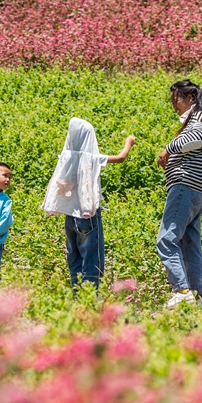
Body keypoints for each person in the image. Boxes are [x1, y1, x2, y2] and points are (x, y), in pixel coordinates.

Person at [42, 118, 135, 289]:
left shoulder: (65, 156)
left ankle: (77, 293)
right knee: (91, 257)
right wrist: (129, 142)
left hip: (70, 216)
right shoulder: (91, 158)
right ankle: (90, 297)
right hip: (87, 215)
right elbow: (121, 158)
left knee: (74, 255)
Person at [156, 80, 202, 308]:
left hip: (185, 186)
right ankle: (197, 294)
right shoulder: (199, 118)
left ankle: (182, 290)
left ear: (190, 98)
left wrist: (167, 149)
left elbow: (195, 139)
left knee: (166, 240)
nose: (174, 105)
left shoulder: (198, 118)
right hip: (196, 190)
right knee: (190, 244)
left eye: (176, 99)